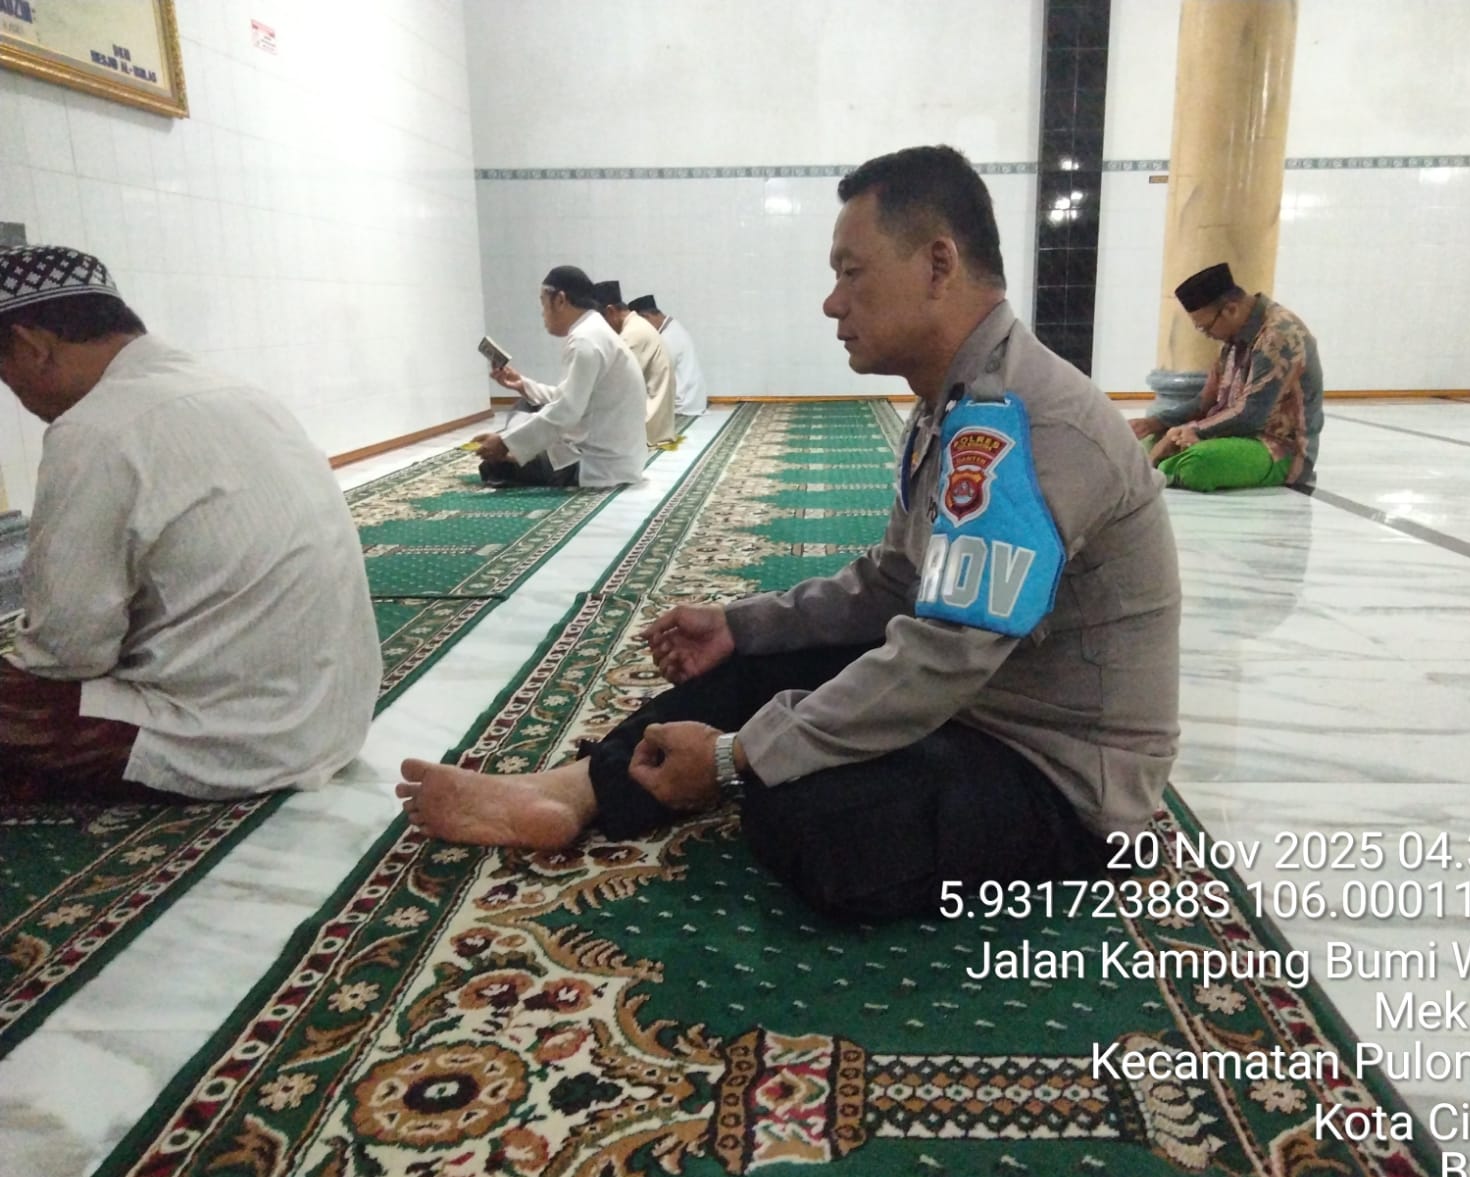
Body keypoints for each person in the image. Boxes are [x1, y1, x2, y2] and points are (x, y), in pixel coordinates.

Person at [398, 146, 1180, 921]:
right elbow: (894, 584)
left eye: (851, 272)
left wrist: (736, 758)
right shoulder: (956, 402)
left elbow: (946, 653)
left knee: (803, 816)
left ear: (938, 264)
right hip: (977, 702)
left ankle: (677, 778)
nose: (832, 304)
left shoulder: (1031, 420)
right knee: (757, 660)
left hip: (1060, 771)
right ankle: (577, 790)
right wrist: (741, 625)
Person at [0, 245, 381, 806]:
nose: (18, 396)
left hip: (234, 741)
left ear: (32, 347)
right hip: (334, 717)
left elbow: (66, 654)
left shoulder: (93, 429)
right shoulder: (234, 390)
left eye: (5, 375)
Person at [1132, 262, 1324, 491]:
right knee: (1146, 440)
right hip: (1232, 436)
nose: (1207, 335)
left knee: (1197, 463)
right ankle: (1156, 466)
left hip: (1276, 448)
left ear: (1231, 310)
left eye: (1206, 328)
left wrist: (1192, 431)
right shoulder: (1234, 338)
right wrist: (1155, 423)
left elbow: (1251, 415)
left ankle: (1152, 471)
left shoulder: (1278, 335)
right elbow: (1204, 402)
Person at [474, 267, 647, 488]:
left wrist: (505, 443)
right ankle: (523, 452)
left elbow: (566, 411)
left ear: (560, 300)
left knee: (493, 467)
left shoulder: (585, 340)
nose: (542, 313)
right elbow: (569, 398)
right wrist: (523, 385)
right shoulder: (594, 330)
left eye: (543, 303)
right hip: (619, 458)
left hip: (596, 464)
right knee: (526, 404)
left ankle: (520, 455)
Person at [596, 280, 678, 446]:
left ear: (611, 311)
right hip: (655, 416)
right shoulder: (636, 326)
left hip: (648, 424)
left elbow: (611, 385)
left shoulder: (633, 333)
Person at [629, 294, 707, 417]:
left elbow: (657, 375)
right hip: (691, 399)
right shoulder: (672, 326)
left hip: (682, 405)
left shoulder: (668, 337)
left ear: (646, 317)